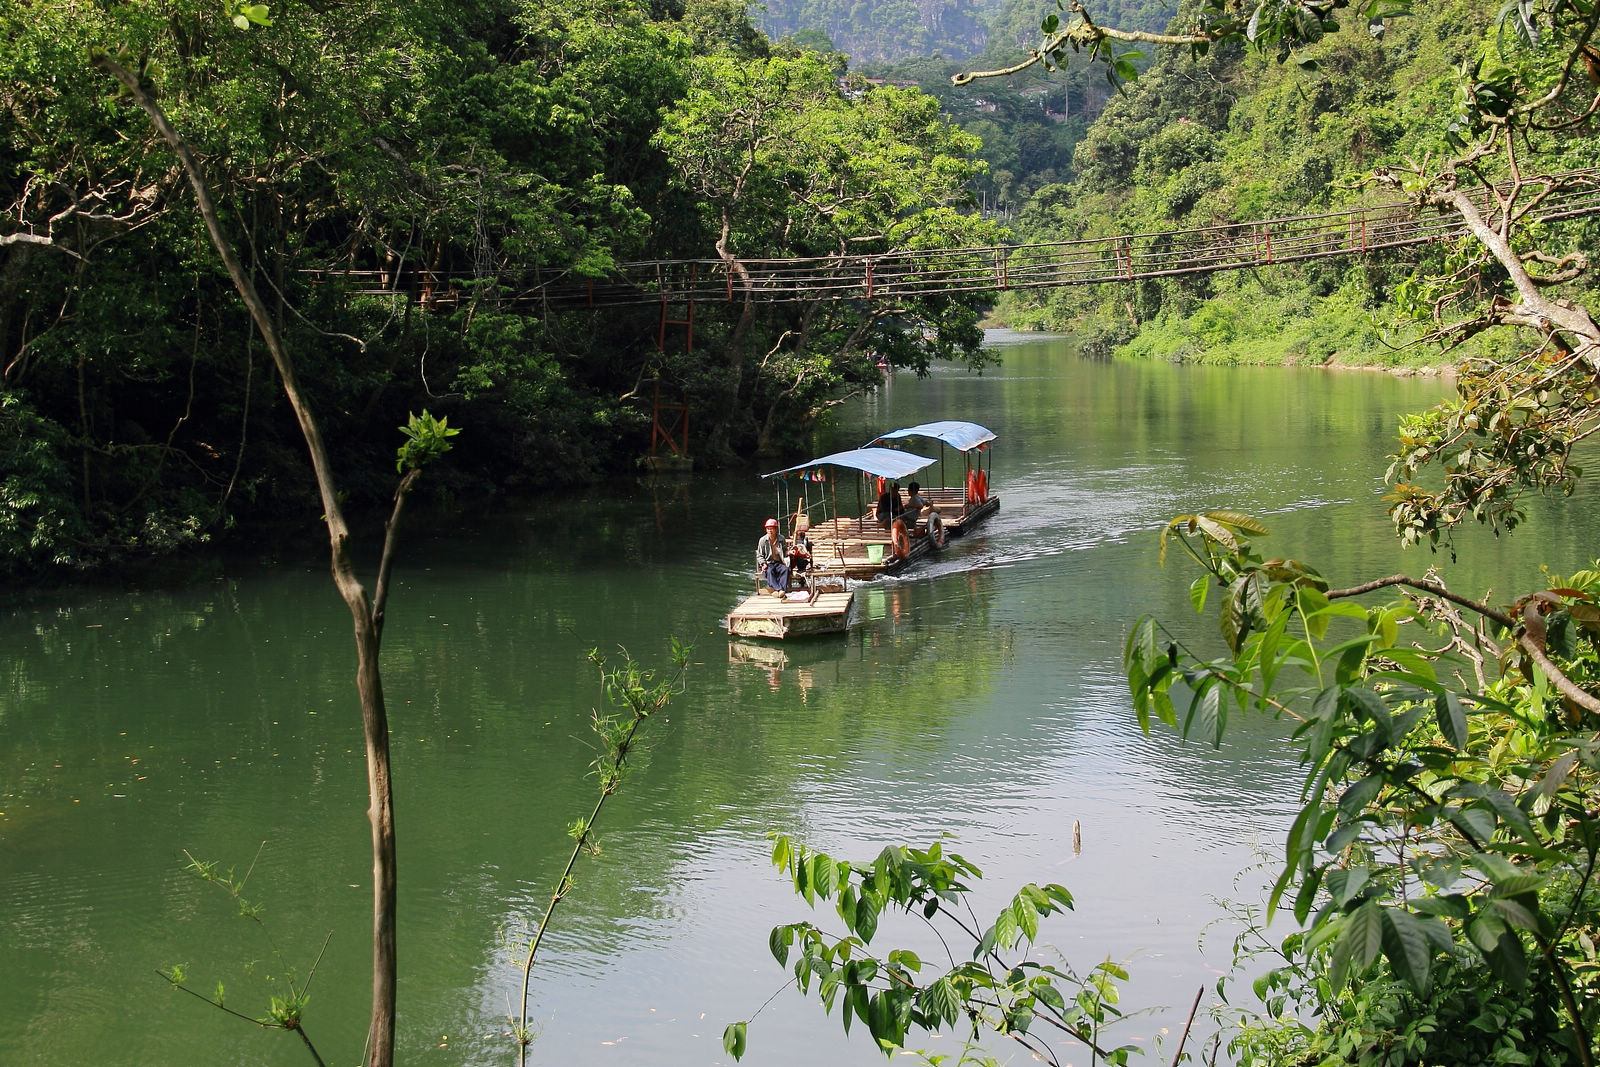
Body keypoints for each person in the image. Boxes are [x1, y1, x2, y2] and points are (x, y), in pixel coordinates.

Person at [757, 518, 789, 594]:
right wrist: (763, 564)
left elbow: (785, 551)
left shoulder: (781, 538)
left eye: (772, 529)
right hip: (768, 563)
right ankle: (780, 590)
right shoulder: (763, 540)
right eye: (768, 529)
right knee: (769, 571)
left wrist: (789, 553)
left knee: (785, 569)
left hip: (779, 562)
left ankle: (781, 591)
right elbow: (759, 555)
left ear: (776, 529)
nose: (770, 531)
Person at [788, 516, 813, 588]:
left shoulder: (804, 541)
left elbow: (808, 553)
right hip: (797, 559)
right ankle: (800, 580)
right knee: (797, 561)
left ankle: (801, 581)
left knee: (801, 562)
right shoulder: (797, 541)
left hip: (802, 558)